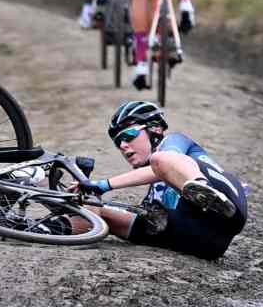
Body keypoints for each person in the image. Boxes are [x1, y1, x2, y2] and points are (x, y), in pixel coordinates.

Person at [70, 101, 248, 261]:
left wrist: (103, 185)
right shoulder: (155, 189)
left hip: (228, 208)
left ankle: (203, 188)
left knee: (160, 159)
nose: (123, 145)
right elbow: (140, 220)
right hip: (204, 242)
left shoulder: (174, 142)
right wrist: (80, 200)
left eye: (129, 135)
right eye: (118, 143)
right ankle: (53, 229)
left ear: (155, 129)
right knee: (98, 211)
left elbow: (161, 165)